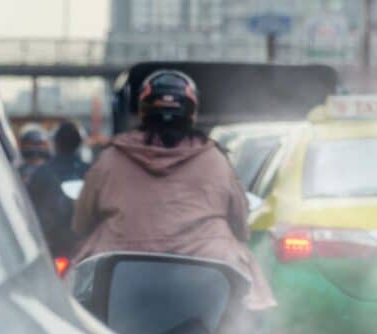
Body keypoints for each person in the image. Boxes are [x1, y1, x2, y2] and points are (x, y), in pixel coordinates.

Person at [71, 69, 275, 311]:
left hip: (120, 290)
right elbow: (241, 225)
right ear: (192, 112)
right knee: (248, 303)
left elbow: (82, 224)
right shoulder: (215, 159)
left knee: (71, 297)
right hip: (208, 285)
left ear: (143, 110)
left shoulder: (110, 159)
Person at [18, 125, 76, 258]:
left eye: (40, 144)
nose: (35, 150)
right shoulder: (17, 172)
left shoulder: (51, 171)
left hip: (54, 235)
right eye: (30, 145)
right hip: (39, 234)